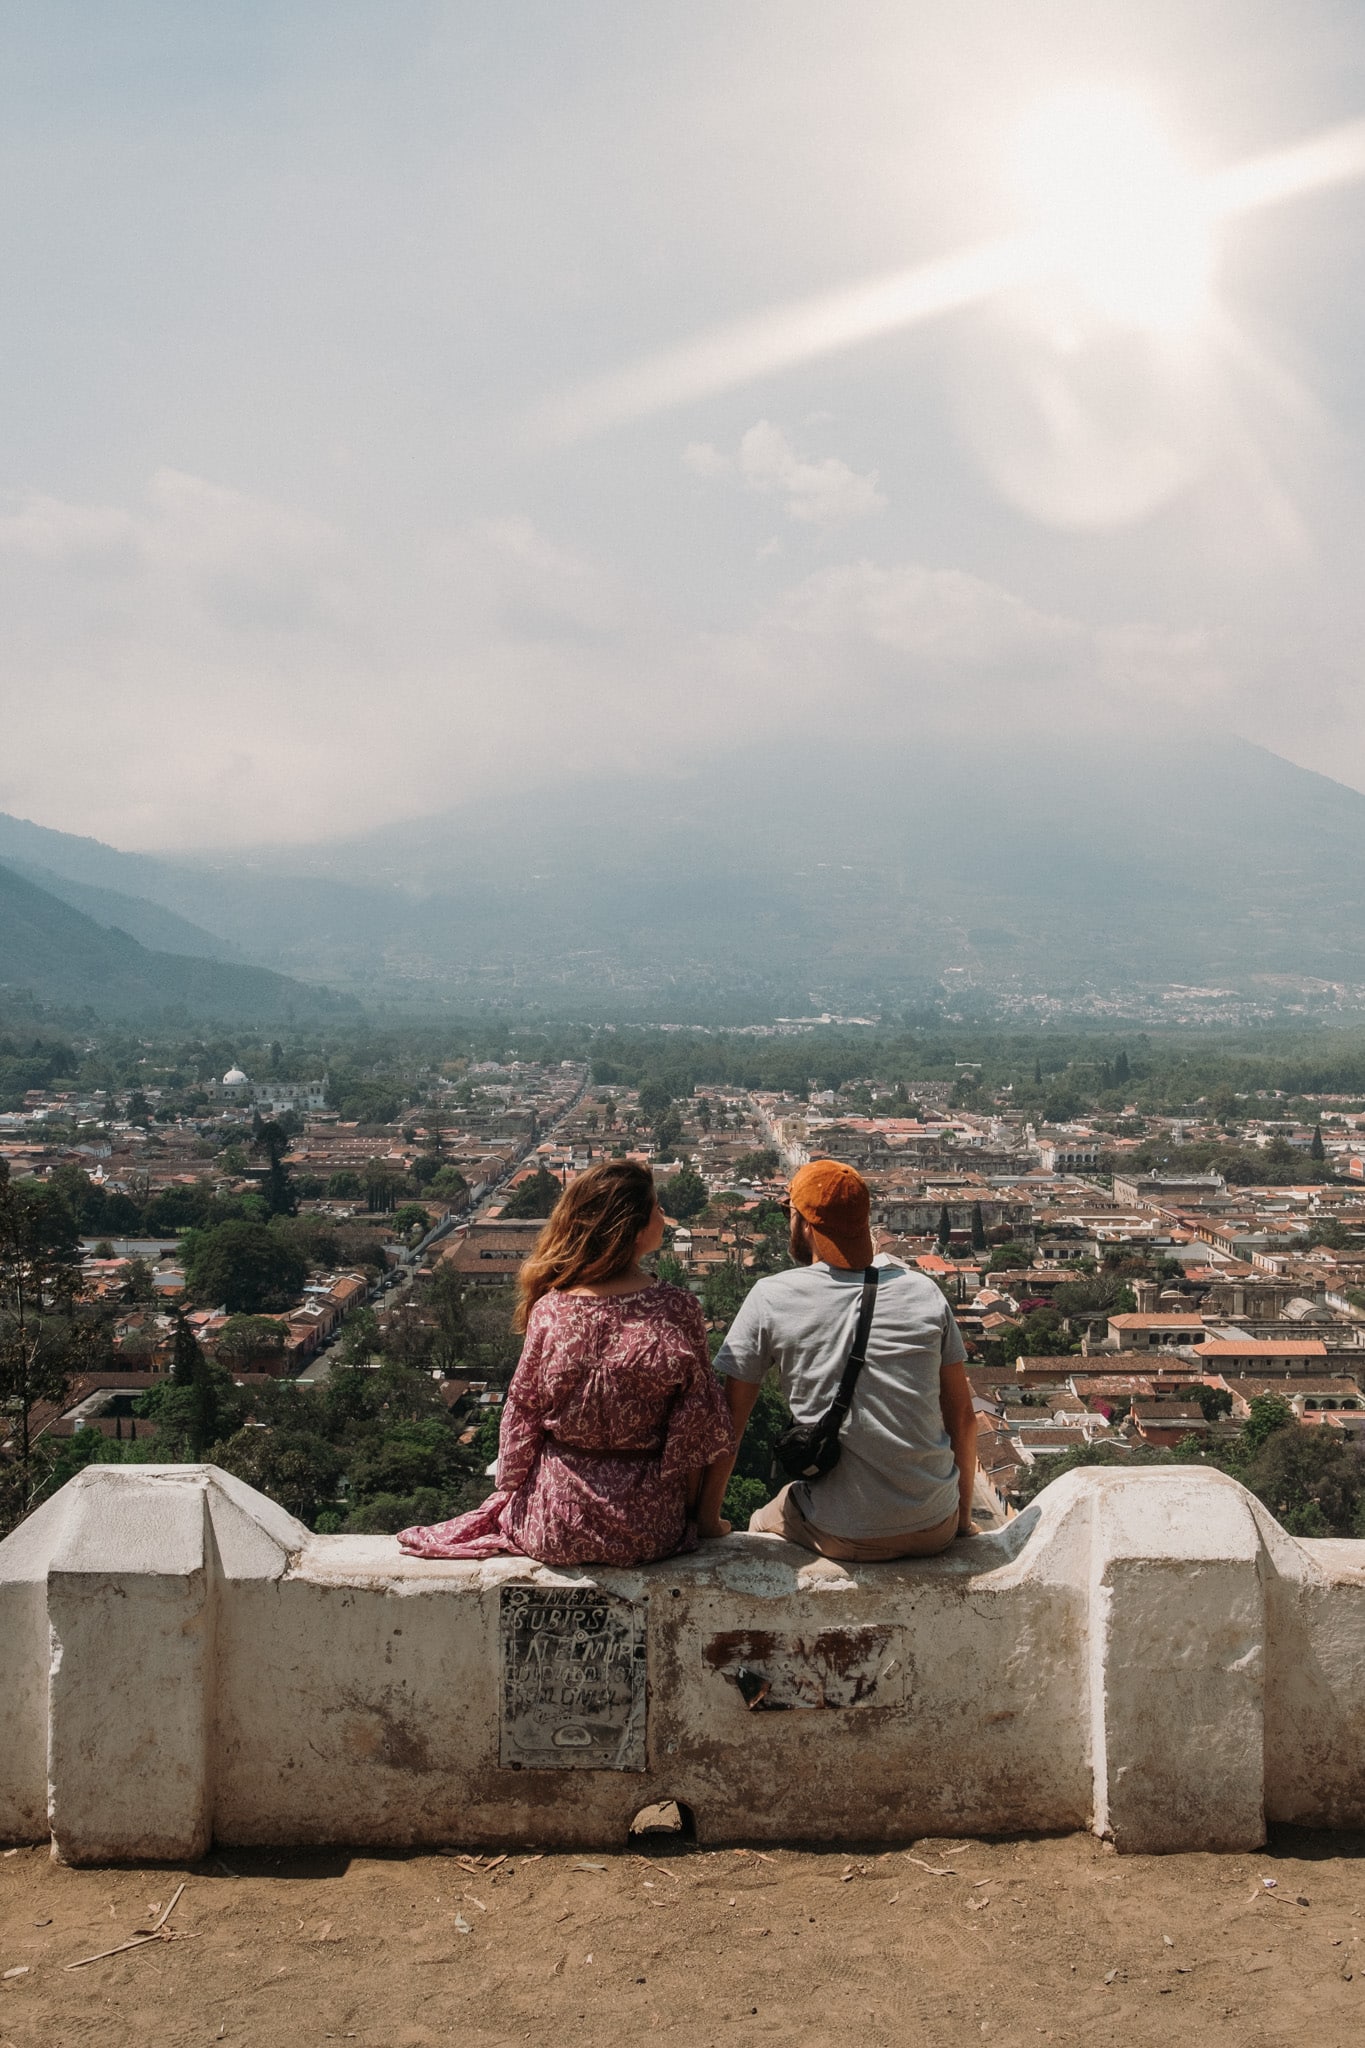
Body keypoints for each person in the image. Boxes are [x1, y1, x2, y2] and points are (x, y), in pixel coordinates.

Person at [397, 1160, 733, 1567]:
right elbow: (695, 1428)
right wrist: (693, 1516)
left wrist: (510, 1492)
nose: (664, 1216)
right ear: (634, 1229)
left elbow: (522, 1414)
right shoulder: (678, 1309)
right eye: (657, 1208)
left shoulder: (550, 1310)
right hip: (648, 1527)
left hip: (554, 1523)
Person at [696, 1159, 978, 1561]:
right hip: (935, 1524)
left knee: (760, 1522)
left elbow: (730, 1423)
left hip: (841, 1533)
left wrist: (708, 1519)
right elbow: (963, 1418)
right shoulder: (924, 1292)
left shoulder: (771, 1296)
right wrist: (961, 1520)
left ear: (804, 1224)